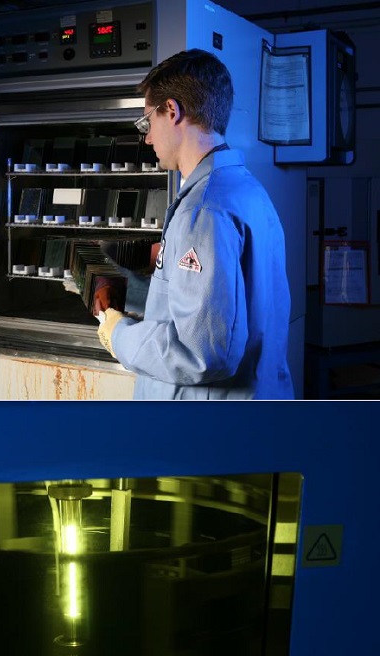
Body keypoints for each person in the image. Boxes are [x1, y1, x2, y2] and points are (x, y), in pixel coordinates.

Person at [97, 49, 294, 400]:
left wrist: (118, 333)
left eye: (147, 123)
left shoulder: (203, 209)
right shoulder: (246, 189)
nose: (148, 138)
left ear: (171, 111)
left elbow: (201, 353)